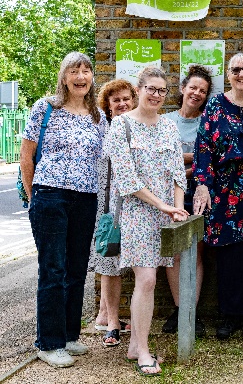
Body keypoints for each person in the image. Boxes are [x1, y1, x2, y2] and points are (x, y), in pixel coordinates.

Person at [21, 52, 108, 368]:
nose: (81, 75)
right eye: (75, 70)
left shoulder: (99, 117)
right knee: (53, 269)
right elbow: (27, 157)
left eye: (86, 70)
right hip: (51, 197)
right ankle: (49, 342)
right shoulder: (45, 109)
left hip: (85, 199)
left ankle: (70, 336)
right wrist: (34, 199)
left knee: (75, 270)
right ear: (64, 76)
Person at [105, 65, 188, 376]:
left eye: (162, 91)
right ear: (138, 90)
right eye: (151, 89)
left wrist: (177, 209)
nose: (156, 95)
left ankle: (132, 346)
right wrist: (164, 206)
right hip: (138, 215)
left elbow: (178, 172)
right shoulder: (121, 126)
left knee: (151, 280)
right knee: (148, 280)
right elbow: (127, 179)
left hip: (167, 216)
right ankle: (142, 350)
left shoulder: (168, 127)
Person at [193, 53, 243, 340]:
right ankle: (229, 314)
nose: (241, 74)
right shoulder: (215, 105)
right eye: (235, 70)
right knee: (228, 253)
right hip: (225, 189)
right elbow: (203, 147)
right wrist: (202, 184)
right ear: (228, 75)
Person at [161, 64, 213, 338]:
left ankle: (191, 311)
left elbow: (209, 158)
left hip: (197, 191)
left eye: (202, 91)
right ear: (183, 89)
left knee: (195, 252)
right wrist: (193, 158)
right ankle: (180, 308)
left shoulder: (207, 122)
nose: (196, 93)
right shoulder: (165, 121)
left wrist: (182, 161)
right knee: (174, 253)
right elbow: (160, 158)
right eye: (192, 87)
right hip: (167, 193)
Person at [90, 79, 137, 348]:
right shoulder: (102, 129)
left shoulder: (140, 127)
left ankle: (111, 315)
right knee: (110, 263)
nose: (121, 104)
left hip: (134, 203)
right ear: (107, 105)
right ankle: (113, 323)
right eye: (115, 100)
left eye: (126, 99)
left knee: (130, 263)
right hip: (108, 206)